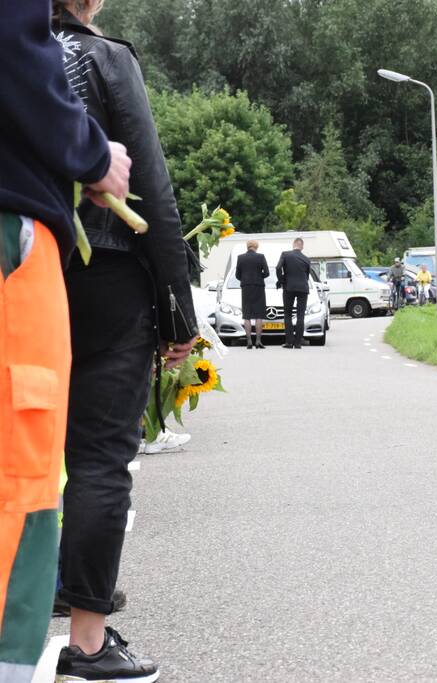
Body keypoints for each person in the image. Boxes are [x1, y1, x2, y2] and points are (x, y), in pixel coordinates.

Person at [51, 2, 199, 681]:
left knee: (29, 448)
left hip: (26, 272)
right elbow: (152, 188)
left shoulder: (18, 54)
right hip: (108, 275)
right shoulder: (105, 57)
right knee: (101, 457)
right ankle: (86, 641)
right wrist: (177, 313)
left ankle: (46, 586)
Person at [0, 4, 129, 680]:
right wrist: (92, 155)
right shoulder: (109, 57)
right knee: (21, 475)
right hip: (12, 234)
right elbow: (12, 53)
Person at [276, 237, 312, 349]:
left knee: (288, 314)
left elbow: (278, 268)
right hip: (303, 289)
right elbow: (307, 275)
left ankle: (289, 342)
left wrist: (282, 280)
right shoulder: (307, 259)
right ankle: (298, 343)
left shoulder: (285, 255)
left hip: (289, 287)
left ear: (293, 245)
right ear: (302, 246)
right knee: (300, 315)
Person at [235, 239, 270, 348]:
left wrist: (245, 279)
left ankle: (249, 341)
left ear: (247, 246)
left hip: (246, 287)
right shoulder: (261, 257)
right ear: (256, 247)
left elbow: (237, 275)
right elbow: (267, 273)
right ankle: (258, 341)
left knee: (247, 315)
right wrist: (259, 277)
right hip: (259, 287)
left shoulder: (240, 258)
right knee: (259, 315)